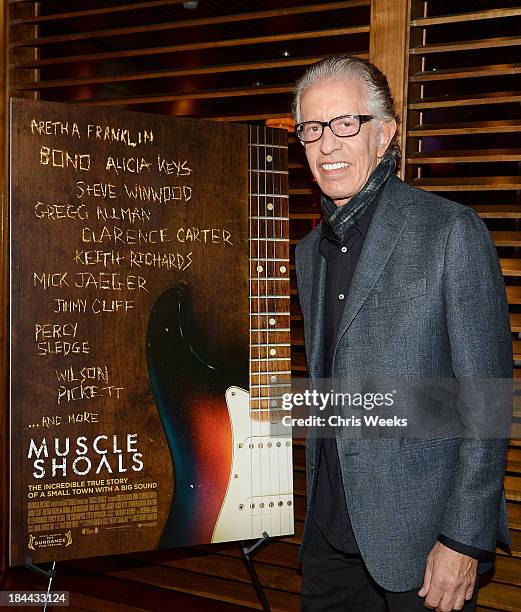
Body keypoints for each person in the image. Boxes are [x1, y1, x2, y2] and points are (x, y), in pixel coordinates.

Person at [292, 55, 512, 612]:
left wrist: (463, 540)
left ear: (384, 133)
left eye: (346, 123)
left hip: (423, 548)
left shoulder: (448, 232)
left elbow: (485, 400)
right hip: (328, 542)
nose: (328, 144)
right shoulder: (306, 254)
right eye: (312, 129)